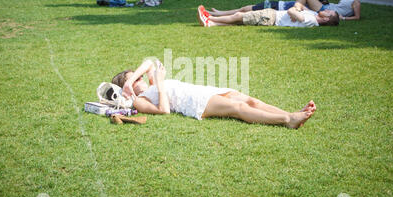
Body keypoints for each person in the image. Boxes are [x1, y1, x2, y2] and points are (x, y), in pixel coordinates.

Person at [113, 59, 316, 129]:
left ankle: (291, 113)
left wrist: (130, 80)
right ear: (126, 90)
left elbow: (149, 63)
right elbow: (164, 110)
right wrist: (158, 83)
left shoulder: (148, 84)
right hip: (192, 102)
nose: (139, 80)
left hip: (200, 90)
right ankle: (287, 119)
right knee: (239, 108)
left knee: (249, 100)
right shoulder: (141, 100)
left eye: (138, 78)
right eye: (134, 80)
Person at [197, 3, 339, 28]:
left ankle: (209, 18)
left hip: (272, 17)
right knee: (240, 20)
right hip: (272, 17)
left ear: (326, 18)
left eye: (329, 12)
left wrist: (295, 11)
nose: (327, 9)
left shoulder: (311, 20)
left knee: (239, 16)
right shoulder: (314, 15)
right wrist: (297, 10)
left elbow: (292, 11)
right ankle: (212, 23)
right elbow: (298, 6)